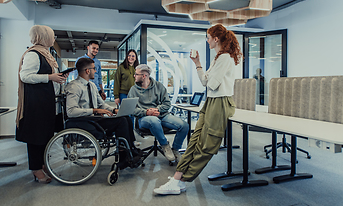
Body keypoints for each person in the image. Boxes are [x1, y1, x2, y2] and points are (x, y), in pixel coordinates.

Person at [153, 23, 242, 195]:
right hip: (211, 102)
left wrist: (208, 78)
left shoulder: (225, 58)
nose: (207, 41)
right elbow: (205, 82)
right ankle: (177, 178)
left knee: (206, 146)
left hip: (220, 103)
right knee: (194, 142)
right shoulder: (218, 58)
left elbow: (213, 84)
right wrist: (198, 63)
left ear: (216, 39)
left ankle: (183, 180)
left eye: (208, 38)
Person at [65, 57, 143, 169]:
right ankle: (125, 157)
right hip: (83, 122)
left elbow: (102, 104)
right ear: (87, 71)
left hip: (94, 119)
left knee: (124, 117)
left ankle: (131, 150)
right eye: (94, 69)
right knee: (121, 122)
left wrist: (115, 110)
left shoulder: (91, 85)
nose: (95, 71)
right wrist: (95, 110)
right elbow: (71, 112)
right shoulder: (74, 87)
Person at [16, 25, 68, 184]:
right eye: (52, 36)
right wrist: (50, 77)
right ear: (43, 37)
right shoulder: (33, 54)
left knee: (45, 136)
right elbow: (25, 76)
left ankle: (42, 164)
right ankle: (36, 169)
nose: (54, 39)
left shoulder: (46, 54)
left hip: (46, 103)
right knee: (35, 137)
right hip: (36, 104)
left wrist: (57, 78)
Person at [128, 64, 189, 162]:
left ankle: (175, 149)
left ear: (144, 76)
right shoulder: (133, 90)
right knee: (154, 121)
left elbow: (167, 103)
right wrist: (147, 112)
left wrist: (157, 109)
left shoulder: (159, 86)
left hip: (161, 115)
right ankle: (165, 145)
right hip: (144, 118)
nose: (134, 76)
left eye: (136, 74)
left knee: (184, 126)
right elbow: (131, 109)